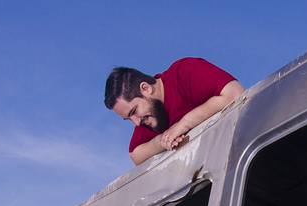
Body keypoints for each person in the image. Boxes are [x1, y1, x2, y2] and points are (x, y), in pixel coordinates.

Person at [104, 59, 245, 165]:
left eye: (134, 111)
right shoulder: (148, 119)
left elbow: (236, 94)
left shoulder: (185, 72)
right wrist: (160, 142)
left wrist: (184, 124)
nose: (136, 122)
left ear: (146, 88)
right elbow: (135, 155)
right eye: (129, 119)